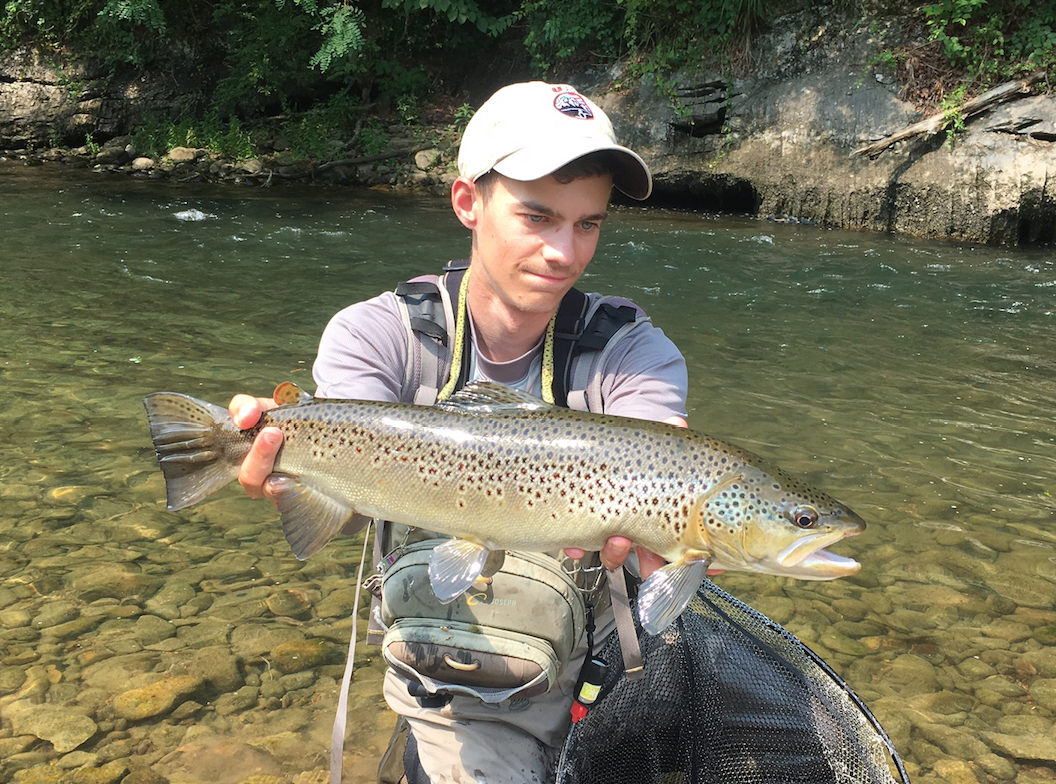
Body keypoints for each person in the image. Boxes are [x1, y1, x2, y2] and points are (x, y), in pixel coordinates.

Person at [229, 81, 689, 783]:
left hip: (593, 677)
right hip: (447, 685)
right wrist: (285, 465)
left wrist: (680, 531)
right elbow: (350, 498)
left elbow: (662, 451)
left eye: (587, 223)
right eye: (537, 216)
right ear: (467, 203)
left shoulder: (632, 350)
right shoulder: (377, 336)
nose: (564, 252)